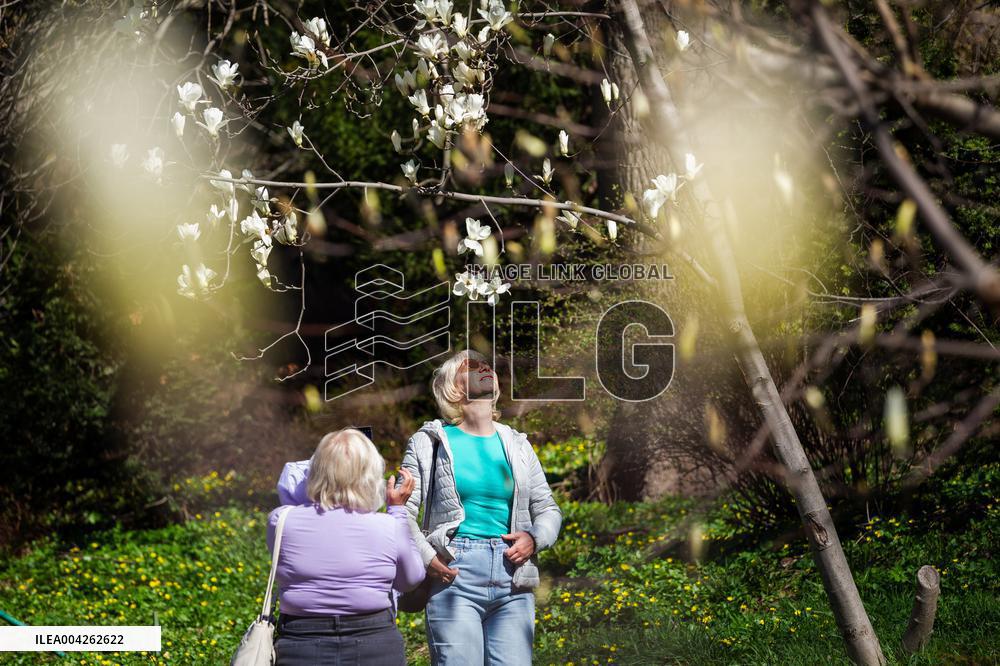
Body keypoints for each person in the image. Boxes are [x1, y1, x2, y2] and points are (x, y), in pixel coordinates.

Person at [398, 350, 563, 665]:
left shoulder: (517, 443)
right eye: (471, 367)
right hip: (454, 574)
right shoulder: (428, 442)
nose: (484, 368)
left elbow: (548, 508)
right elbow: (400, 511)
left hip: (514, 576)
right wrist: (428, 558)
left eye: (486, 365)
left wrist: (534, 538)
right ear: (453, 388)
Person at [267, 428, 425, 666]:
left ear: (315, 470)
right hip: (374, 641)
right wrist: (397, 510)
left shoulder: (281, 520)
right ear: (371, 474)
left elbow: (295, 491)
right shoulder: (388, 525)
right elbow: (410, 579)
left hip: (301, 640)